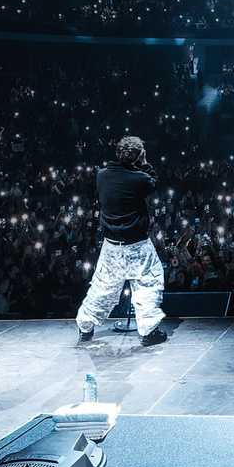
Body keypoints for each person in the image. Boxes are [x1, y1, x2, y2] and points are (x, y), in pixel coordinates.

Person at [76, 135, 167, 345]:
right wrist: (144, 163)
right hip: (137, 245)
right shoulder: (140, 179)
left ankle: (85, 327)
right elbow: (153, 182)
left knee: (102, 287)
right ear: (138, 156)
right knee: (148, 284)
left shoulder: (101, 176)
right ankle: (148, 331)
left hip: (111, 246)